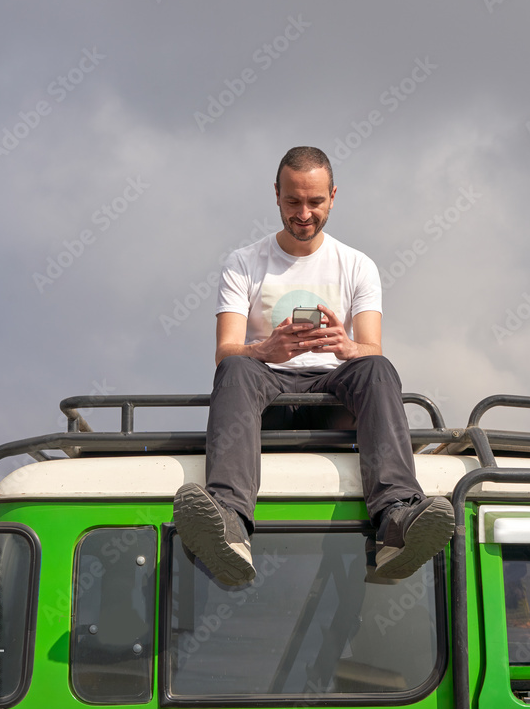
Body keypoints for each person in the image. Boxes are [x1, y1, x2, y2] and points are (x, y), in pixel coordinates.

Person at [174, 146, 454, 585]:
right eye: (293, 201)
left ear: (333, 196)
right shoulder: (243, 263)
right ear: (276, 195)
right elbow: (226, 350)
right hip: (266, 391)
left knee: (378, 368)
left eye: (315, 201)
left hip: (333, 391)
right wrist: (267, 348)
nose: (304, 213)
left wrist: (346, 346)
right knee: (235, 369)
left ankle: (396, 519)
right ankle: (227, 523)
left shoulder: (358, 265)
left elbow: (373, 348)